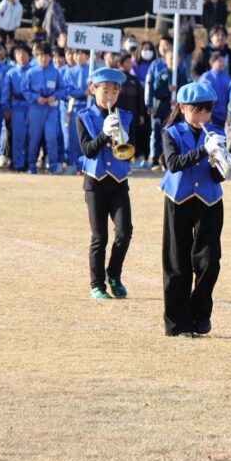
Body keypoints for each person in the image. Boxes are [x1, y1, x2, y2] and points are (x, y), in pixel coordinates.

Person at [159, 82, 229, 336]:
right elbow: (173, 164)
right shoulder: (171, 132)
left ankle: (200, 313)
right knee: (177, 262)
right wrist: (203, 151)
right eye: (196, 110)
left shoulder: (217, 132)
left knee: (210, 262)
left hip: (209, 201)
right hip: (179, 199)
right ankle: (178, 323)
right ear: (182, 108)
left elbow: (218, 176)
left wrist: (221, 159)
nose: (202, 116)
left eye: (207, 110)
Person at [77, 67, 135, 299]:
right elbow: (87, 150)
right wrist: (103, 135)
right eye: (105, 91)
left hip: (119, 181)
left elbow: (129, 152)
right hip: (95, 183)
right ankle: (97, 284)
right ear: (94, 90)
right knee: (99, 237)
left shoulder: (126, 117)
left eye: (114, 92)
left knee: (125, 232)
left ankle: (114, 274)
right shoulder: (84, 116)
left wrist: (124, 137)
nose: (110, 96)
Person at [26, 44, 67, 175]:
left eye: (46, 56)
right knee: (34, 138)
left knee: (51, 137)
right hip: (36, 109)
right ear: (36, 57)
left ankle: (53, 166)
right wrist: (36, 98)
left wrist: (55, 96)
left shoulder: (55, 73)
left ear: (50, 57)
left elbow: (63, 89)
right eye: (40, 56)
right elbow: (24, 90)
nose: (43, 59)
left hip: (51, 109)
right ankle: (31, 166)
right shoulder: (31, 72)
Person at [145, 37, 185, 170]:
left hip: (176, 109)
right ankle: (156, 160)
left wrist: (178, 96)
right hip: (162, 108)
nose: (173, 61)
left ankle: (172, 159)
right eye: (170, 59)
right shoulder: (161, 74)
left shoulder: (181, 74)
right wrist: (167, 91)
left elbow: (185, 89)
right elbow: (156, 91)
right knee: (158, 132)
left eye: (175, 59)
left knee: (175, 133)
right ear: (166, 60)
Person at [2, 43, 33, 172]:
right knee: (18, 137)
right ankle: (18, 163)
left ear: (29, 55)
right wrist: (6, 108)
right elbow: (6, 93)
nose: (22, 57)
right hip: (17, 107)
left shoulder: (34, 71)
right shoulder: (11, 73)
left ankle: (29, 163)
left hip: (32, 107)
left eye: (24, 54)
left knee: (31, 137)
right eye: (19, 54)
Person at [62, 49, 91, 173]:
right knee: (74, 137)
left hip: (90, 108)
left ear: (87, 55)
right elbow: (66, 90)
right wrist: (83, 92)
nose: (77, 57)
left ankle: (87, 166)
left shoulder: (93, 69)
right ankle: (75, 165)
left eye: (81, 54)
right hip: (75, 107)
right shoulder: (69, 72)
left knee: (89, 137)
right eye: (75, 54)